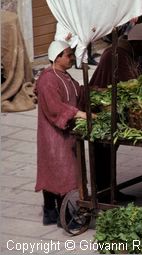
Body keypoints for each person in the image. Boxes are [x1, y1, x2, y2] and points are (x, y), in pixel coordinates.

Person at [90, 23, 142, 202]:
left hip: (115, 109)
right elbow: (131, 82)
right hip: (102, 110)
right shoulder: (118, 54)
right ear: (138, 43)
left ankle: (110, 191)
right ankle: (104, 193)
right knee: (103, 153)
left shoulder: (131, 53)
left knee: (109, 153)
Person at [35, 40, 90, 225]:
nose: (71, 57)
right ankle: (64, 216)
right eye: (68, 55)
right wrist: (78, 113)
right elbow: (55, 107)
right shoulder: (47, 79)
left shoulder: (64, 75)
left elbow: (76, 93)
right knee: (62, 173)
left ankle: (50, 212)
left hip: (65, 133)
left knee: (53, 172)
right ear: (57, 57)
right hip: (53, 135)